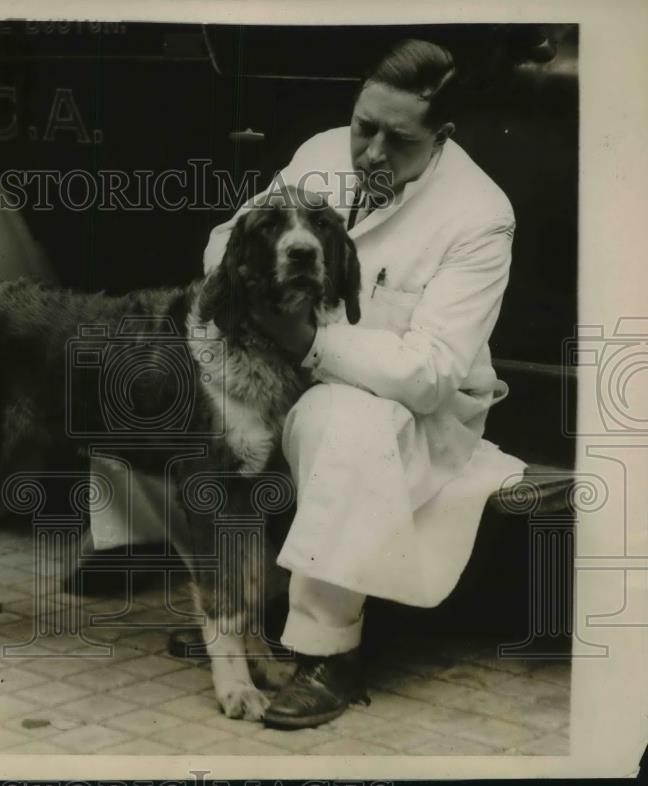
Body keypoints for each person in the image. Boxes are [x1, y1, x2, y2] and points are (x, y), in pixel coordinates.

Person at [84, 39, 527, 730]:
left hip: (406, 411)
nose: (371, 153)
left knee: (336, 417)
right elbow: (226, 239)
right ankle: (232, 608)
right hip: (286, 372)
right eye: (363, 126)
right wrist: (260, 290)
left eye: (398, 139)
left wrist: (311, 341)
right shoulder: (324, 152)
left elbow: (432, 373)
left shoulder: (479, 215)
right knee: (169, 380)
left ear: (441, 137)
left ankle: (327, 649)